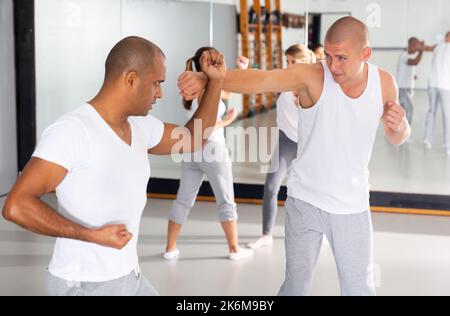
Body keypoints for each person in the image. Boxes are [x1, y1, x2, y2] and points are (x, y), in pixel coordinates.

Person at [178, 17, 411, 296]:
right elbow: (262, 79)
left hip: (352, 206)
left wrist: (400, 126)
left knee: (359, 288)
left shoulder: (384, 83)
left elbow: (398, 136)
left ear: (366, 54)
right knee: (295, 287)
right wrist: (206, 79)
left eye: (341, 58)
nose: (333, 66)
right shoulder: (312, 75)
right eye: (328, 55)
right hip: (305, 202)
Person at [2, 36, 226, 296]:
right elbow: (16, 205)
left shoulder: (141, 127)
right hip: (85, 284)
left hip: (129, 276)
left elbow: (195, 137)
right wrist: (90, 235)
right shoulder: (73, 131)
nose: (160, 93)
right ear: (131, 79)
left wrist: (217, 82)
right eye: (156, 83)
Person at [164, 48, 254, 261]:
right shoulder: (207, 90)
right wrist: (228, 122)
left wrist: (241, 69)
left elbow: (228, 92)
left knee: (183, 200)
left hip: (191, 151)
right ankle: (234, 250)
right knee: (226, 201)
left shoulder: (193, 88)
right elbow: (209, 126)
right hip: (212, 148)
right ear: (206, 64)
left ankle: (170, 249)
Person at [247, 44, 314, 249]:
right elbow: (259, 82)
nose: (289, 65)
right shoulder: (284, 80)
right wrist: (246, 68)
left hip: (308, 145)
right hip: (285, 142)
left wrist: (301, 100)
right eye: (287, 61)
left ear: (305, 62)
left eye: (294, 62)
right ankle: (266, 234)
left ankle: (317, 232)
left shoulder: (312, 85)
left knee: (311, 191)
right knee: (271, 185)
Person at [397, 37, 434, 127]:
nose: (417, 50)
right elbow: (414, 62)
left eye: (418, 48)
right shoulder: (405, 55)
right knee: (409, 110)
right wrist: (421, 51)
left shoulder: (408, 55)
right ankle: (405, 133)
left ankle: (400, 131)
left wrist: (413, 76)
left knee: (404, 110)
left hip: (406, 87)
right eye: (416, 47)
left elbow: (409, 67)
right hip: (403, 88)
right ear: (410, 45)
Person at [424, 32, 450, 154]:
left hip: (434, 84)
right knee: (446, 115)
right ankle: (447, 145)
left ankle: (428, 140)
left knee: (432, 112)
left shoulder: (438, 46)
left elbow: (429, 47)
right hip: (443, 86)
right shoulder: (440, 46)